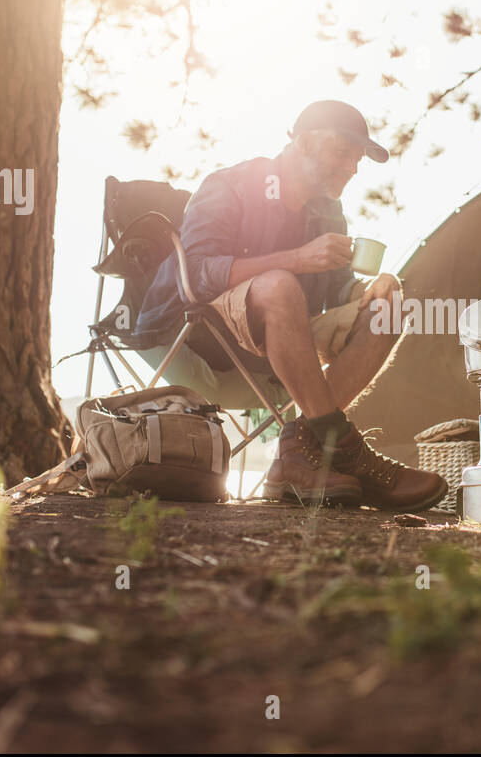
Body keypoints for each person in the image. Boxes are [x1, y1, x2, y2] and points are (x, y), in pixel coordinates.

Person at [134, 100, 447, 512]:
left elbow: (336, 289)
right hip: (200, 334)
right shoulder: (231, 185)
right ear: (303, 143)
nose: (352, 167)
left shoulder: (327, 210)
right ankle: (345, 447)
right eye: (342, 152)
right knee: (280, 285)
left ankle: (297, 450)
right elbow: (197, 274)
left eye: (357, 159)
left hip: (286, 344)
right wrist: (299, 258)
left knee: (391, 308)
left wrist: (370, 291)